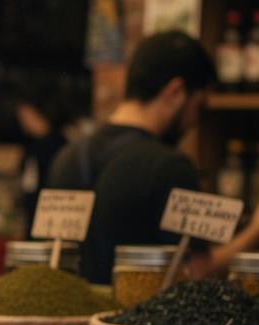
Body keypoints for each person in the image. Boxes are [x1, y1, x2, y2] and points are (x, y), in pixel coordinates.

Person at [49, 30, 259, 283]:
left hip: (71, 319)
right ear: (176, 92)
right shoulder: (170, 167)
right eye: (198, 105)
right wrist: (254, 232)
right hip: (134, 319)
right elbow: (195, 273)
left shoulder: (67, 156)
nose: (194, 121)